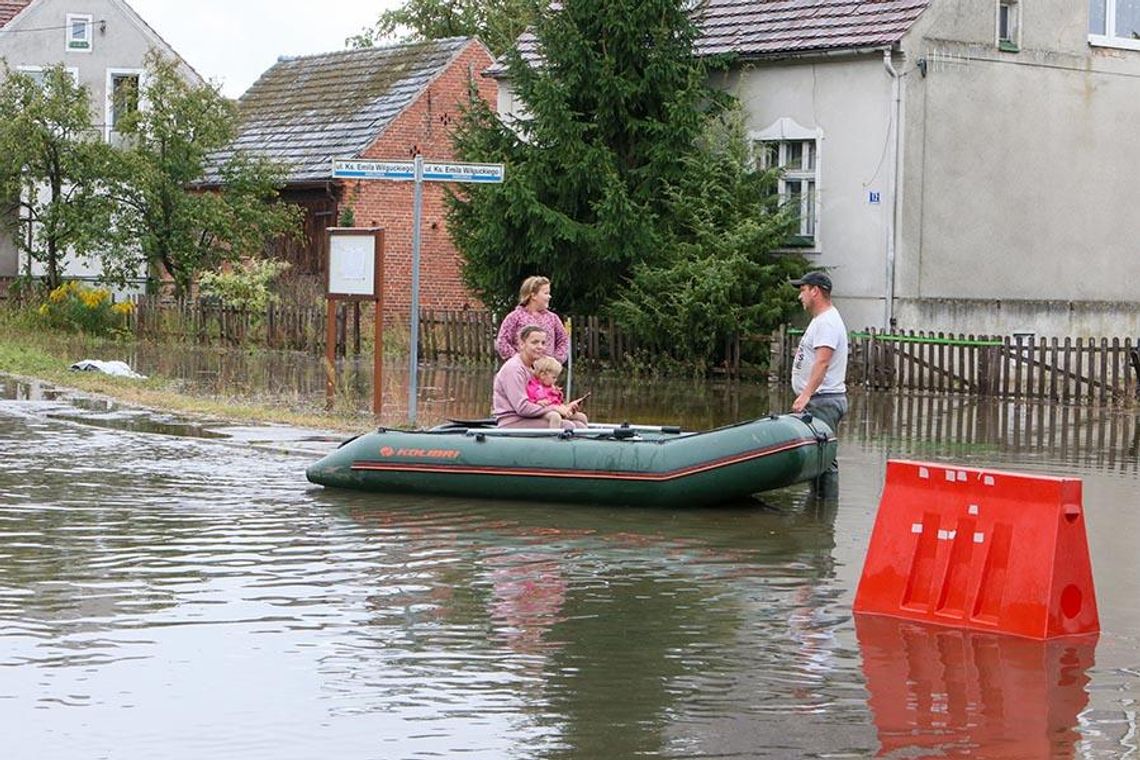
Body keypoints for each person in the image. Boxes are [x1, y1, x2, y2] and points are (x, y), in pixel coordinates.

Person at [789, 271, 848, 497]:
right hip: (820, 398)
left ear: (815, 291)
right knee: (819, 458)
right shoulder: (822, 320)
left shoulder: (828, 323)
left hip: (823, 400)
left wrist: (805, 395)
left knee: (825, 461)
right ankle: (818, 512)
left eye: (803, 290)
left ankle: (823, 519)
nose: (800, 297)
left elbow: (822, 361)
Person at [493, 325, 585, 429]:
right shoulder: (514, 369)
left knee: (580, 420)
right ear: (522, 344)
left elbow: (542, 397)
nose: (540, 346)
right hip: (513, 420)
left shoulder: (535, 368)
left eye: (543, 343)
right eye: (534, 342)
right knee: (568, 426)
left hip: (532, 417)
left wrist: (564, 407)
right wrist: (554, 408)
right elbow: (522, 408)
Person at [495, 275, 569, 363]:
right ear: (533, 295)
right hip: (522, 372)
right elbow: (502, 341)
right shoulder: (515, 317)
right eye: (546, 293)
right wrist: (518, 361)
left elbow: (563, 340)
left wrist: (555, 361)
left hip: (545, 372)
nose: (549, 297)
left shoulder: (553, 318)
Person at [528, 356, 589, 428]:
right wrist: (537, 402)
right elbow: (528, 401)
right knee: (555, 417)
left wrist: (568, 407)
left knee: (582, 417)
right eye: (554, 377)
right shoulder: (533, 387)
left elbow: (558, 403)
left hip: (557, 410)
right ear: (542, 375)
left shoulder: (553, 389)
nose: (556, 380)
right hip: (544, 412)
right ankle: (553, 437)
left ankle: (585, 436)